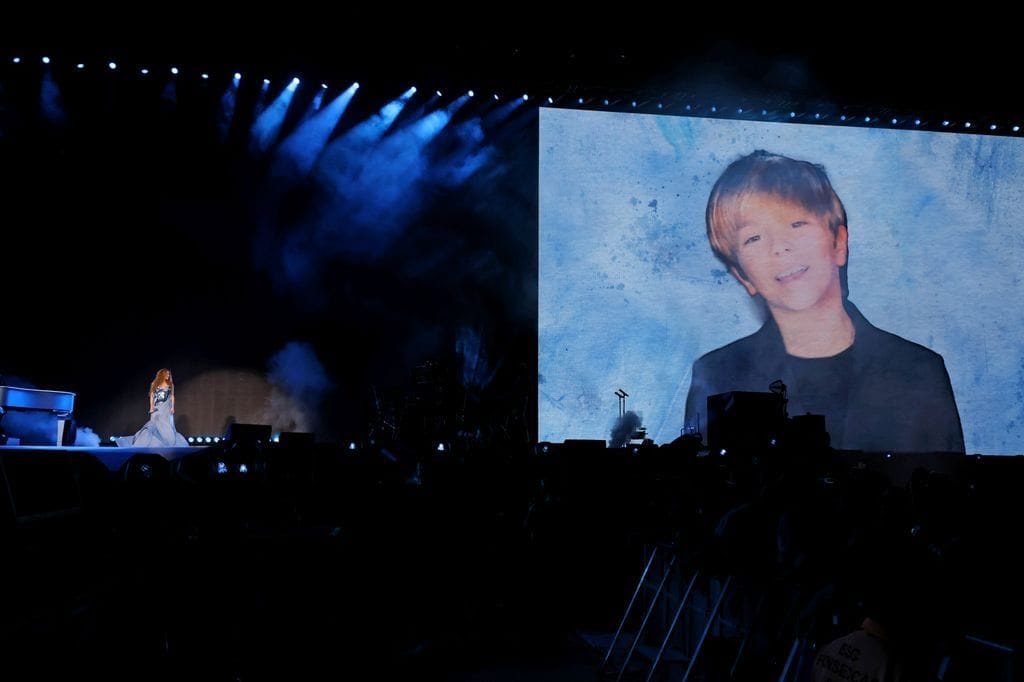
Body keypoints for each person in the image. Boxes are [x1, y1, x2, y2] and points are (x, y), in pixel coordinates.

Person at [684, 151, 964, 453]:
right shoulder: (719, 374)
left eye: (796, 224)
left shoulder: (919, 371)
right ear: (743, 277)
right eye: (754, 238)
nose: (780, 247)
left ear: (838, 243)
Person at [117, 368, 189, 447]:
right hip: (157, 407)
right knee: (154, 424)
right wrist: (151, 407)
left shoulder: (170, 385)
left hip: (166, 408)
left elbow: (172, 396)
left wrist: (172, 408)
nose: (168, 375)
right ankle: (147, 442)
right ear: (162, 374)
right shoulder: (154, 384)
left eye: (169, 374)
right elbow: (152, 395)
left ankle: (169, 441)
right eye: (166, 374)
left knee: (166, 425)